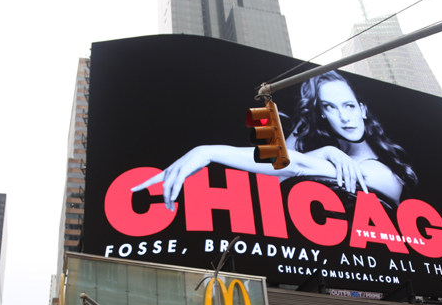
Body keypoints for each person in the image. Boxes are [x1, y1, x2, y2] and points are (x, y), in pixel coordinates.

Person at [133, 71, 416, 209]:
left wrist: (207, 152)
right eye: (330, 107)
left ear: (362, 109)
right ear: (322, 115)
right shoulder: (325, 155)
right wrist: (322, 146)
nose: (344, 117)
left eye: (350, 106)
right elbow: (275, 180)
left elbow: (294, 165)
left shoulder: (383, 173)